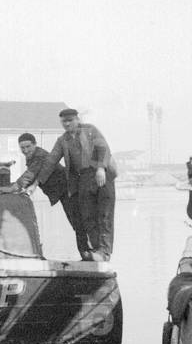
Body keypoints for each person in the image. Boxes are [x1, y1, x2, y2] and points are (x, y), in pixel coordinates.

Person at [43, 108, 117, 261]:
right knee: (88, 217)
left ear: (77, 119)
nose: (67, 124)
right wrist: (36, 181)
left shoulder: (90, 130)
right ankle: (97, 251)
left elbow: (103, 147)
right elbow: (51, 161)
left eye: (70, 120)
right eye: (64, 121)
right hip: (83, 179)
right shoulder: (63, 140)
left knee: (104, 215)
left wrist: (101, 168)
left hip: (101, 175)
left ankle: (105, 252)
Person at [7, 133, 91, 260]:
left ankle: (88, 254)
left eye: (28, 147)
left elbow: (30, 175)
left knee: (78, 223)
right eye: (22, 148)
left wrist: (12, 188)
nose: (25, 150)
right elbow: (31, 176)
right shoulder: (32, 157)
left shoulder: (39, 156)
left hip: (69, 190)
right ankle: (86, 254)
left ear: (35, 145)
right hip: (64, 192)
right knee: (77, 223)